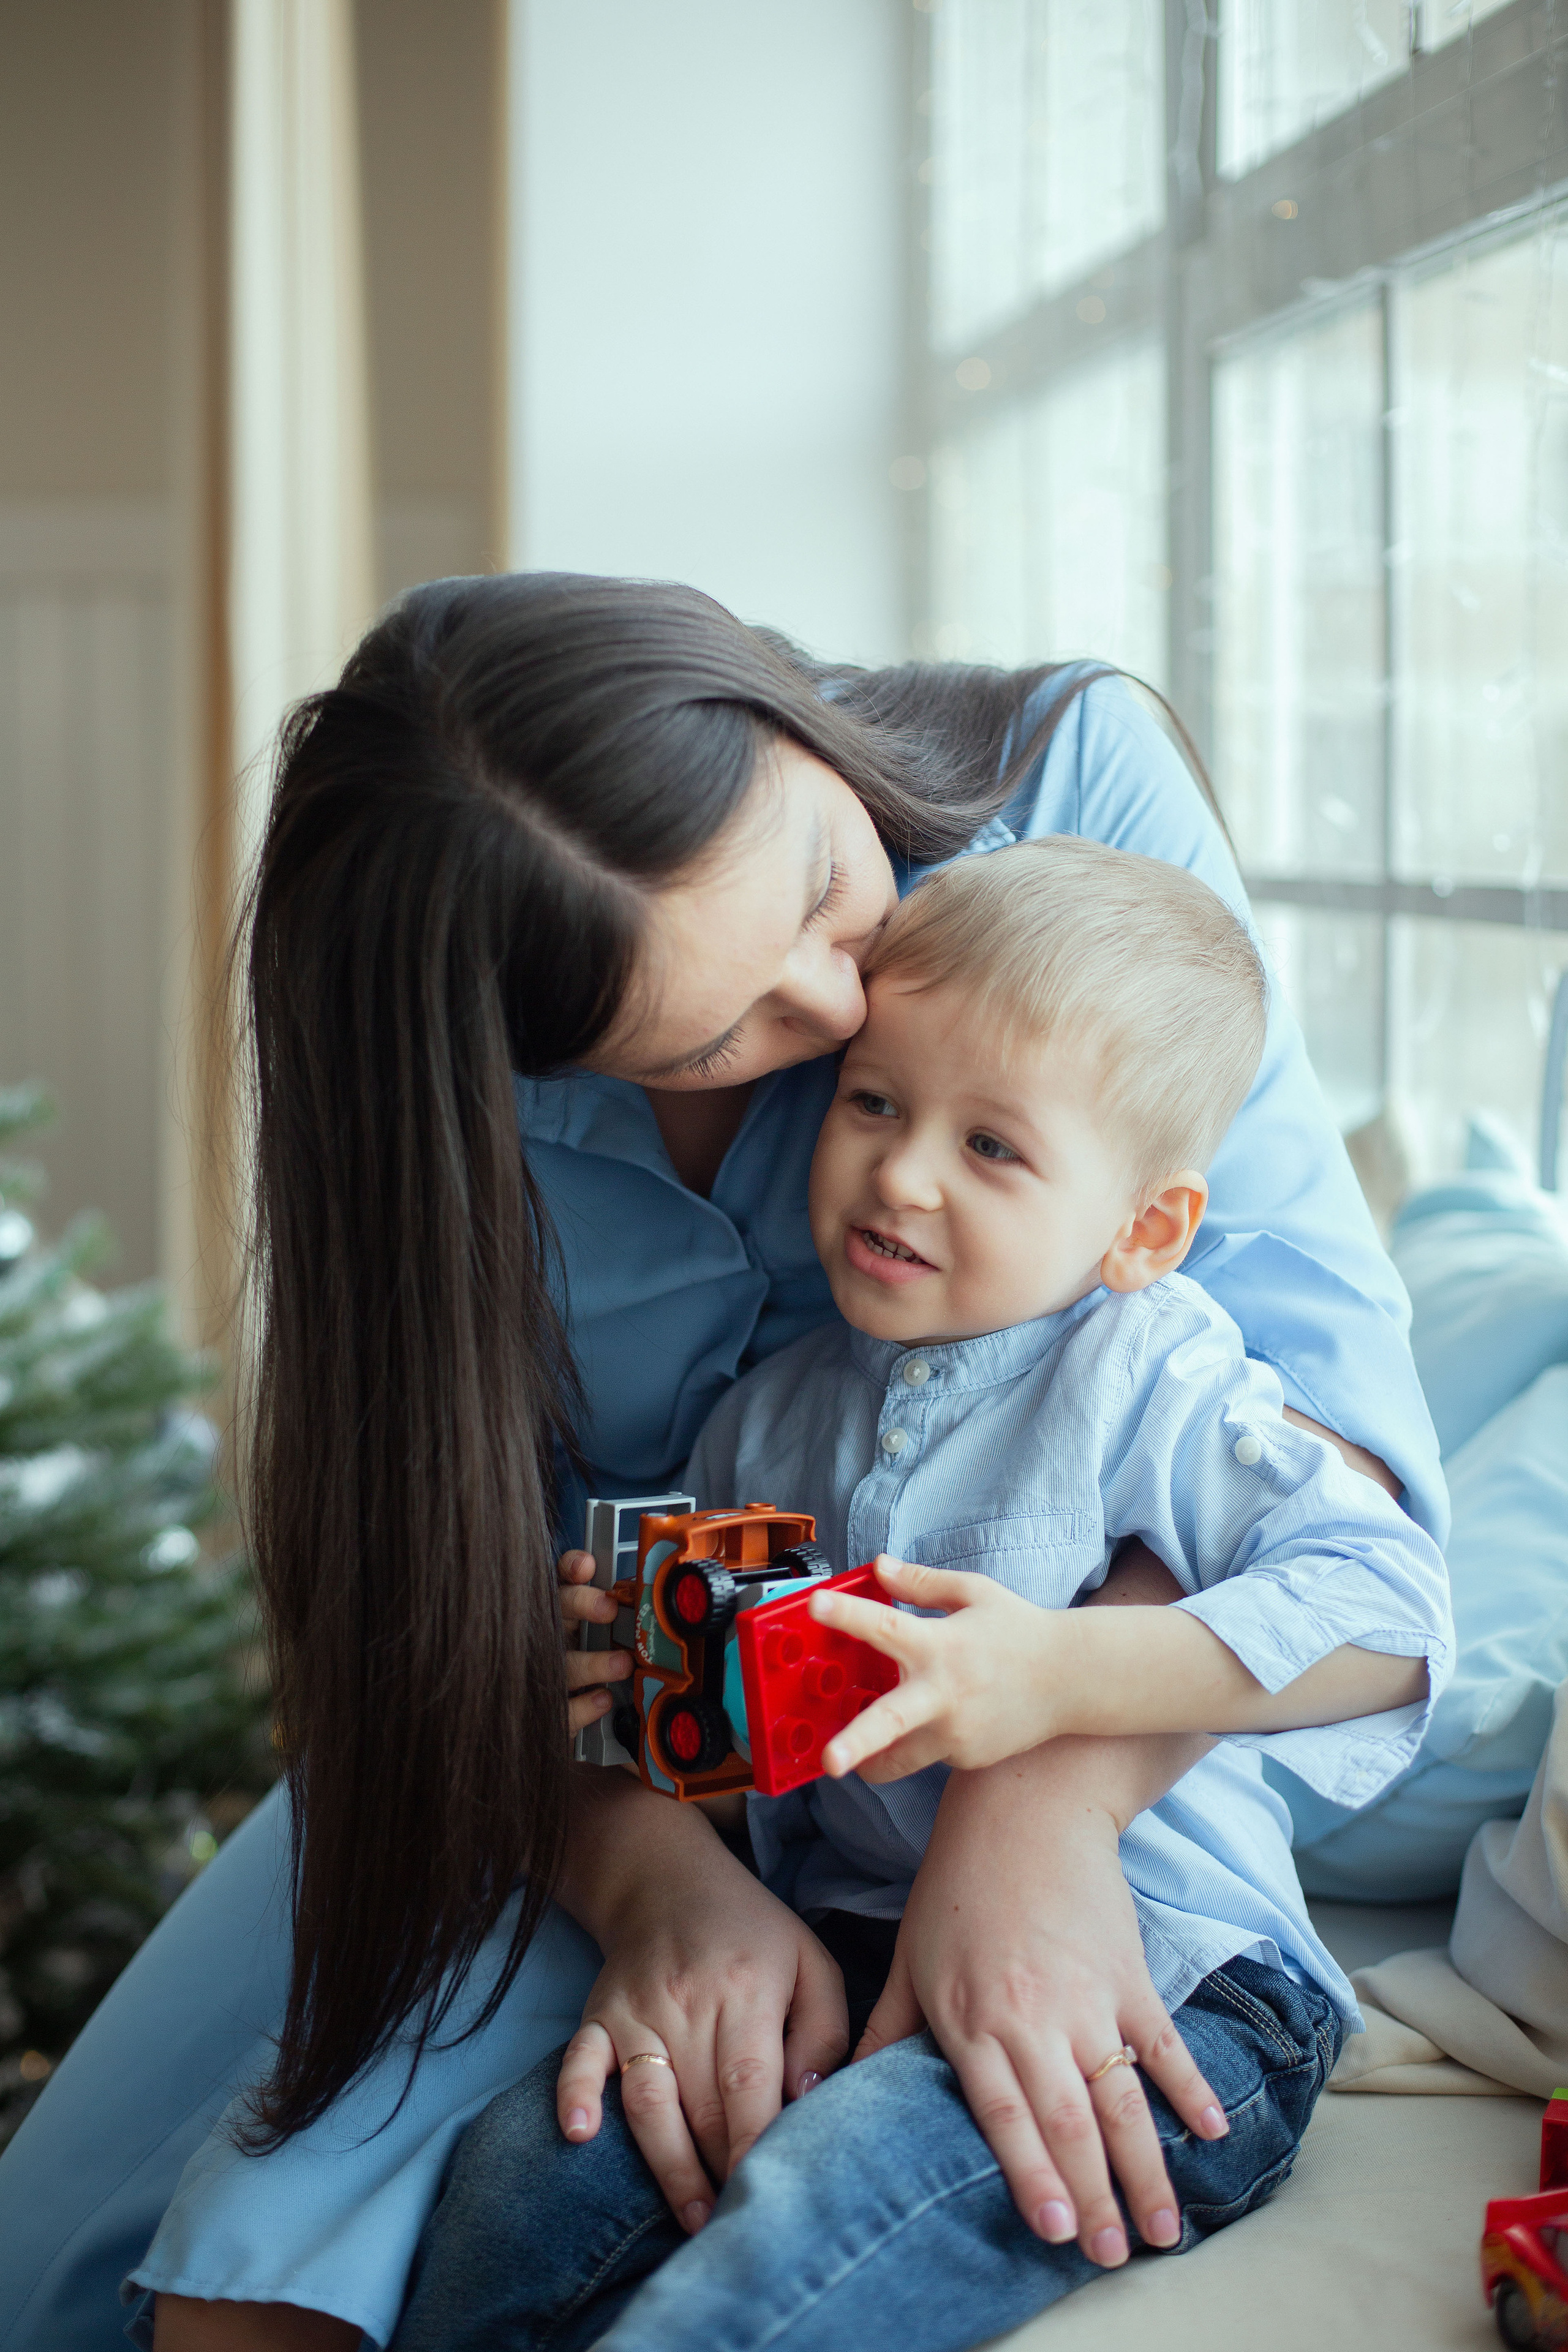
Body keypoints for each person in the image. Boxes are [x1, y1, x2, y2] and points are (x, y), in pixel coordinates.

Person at [0, 575, 1445, 2352]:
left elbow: (1338, 1488)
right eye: (724, 1043)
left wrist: (1035, 1788)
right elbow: (458, 1625)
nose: (843, 1005)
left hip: (1057, 1788)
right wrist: (645, 1874)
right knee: (154, 2281)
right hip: (559, 1782)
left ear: (774, 712)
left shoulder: (1069, 816)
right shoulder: (486, 1137)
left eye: (833, 899)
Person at [383, 839, 1452, 2351]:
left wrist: (1059, 1679)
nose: (897, 1171)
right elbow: (721, 1765)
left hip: (1162, 1988)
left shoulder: (1153, 1375)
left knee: (813, 2224)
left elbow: (1388, 1607)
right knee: (522, 2186)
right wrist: (642, 1692)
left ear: (1140, 1228)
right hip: (846, 1949)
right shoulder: (766, 1418)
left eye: (992, 1148)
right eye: (873, 1101)